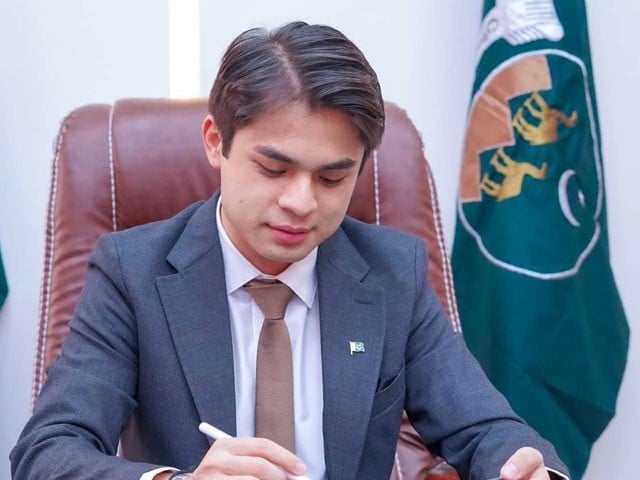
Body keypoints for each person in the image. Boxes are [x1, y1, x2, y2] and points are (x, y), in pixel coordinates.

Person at [11, 21, 569, 480]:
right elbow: (48, 451)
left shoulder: (391, 272)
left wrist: (523, 468)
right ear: (216, 142)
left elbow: (485, 428)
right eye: (274, 169)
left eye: (332, 178)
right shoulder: (132, 272)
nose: (301, 203)